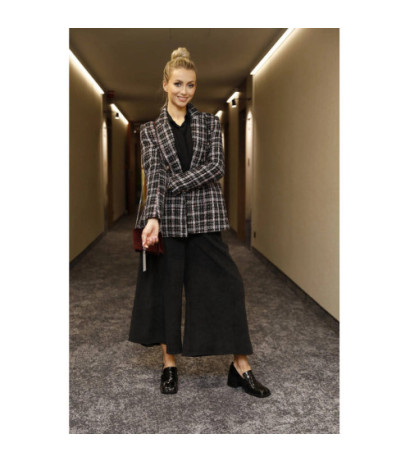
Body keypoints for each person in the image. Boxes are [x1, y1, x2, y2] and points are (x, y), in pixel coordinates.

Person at [129, 47, 270, 398]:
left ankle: (240, 365)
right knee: (167, 292)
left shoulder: (209, 123)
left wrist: (174, 183)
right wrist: (152, 217)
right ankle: (169, 364)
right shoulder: (150, 131)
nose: (184, 91)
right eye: (178, 84)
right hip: (167, 221)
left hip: (206, 218)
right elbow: (155, 175)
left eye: (190, 85)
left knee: (228, 285)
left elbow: (216, 167)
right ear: (165, 84)